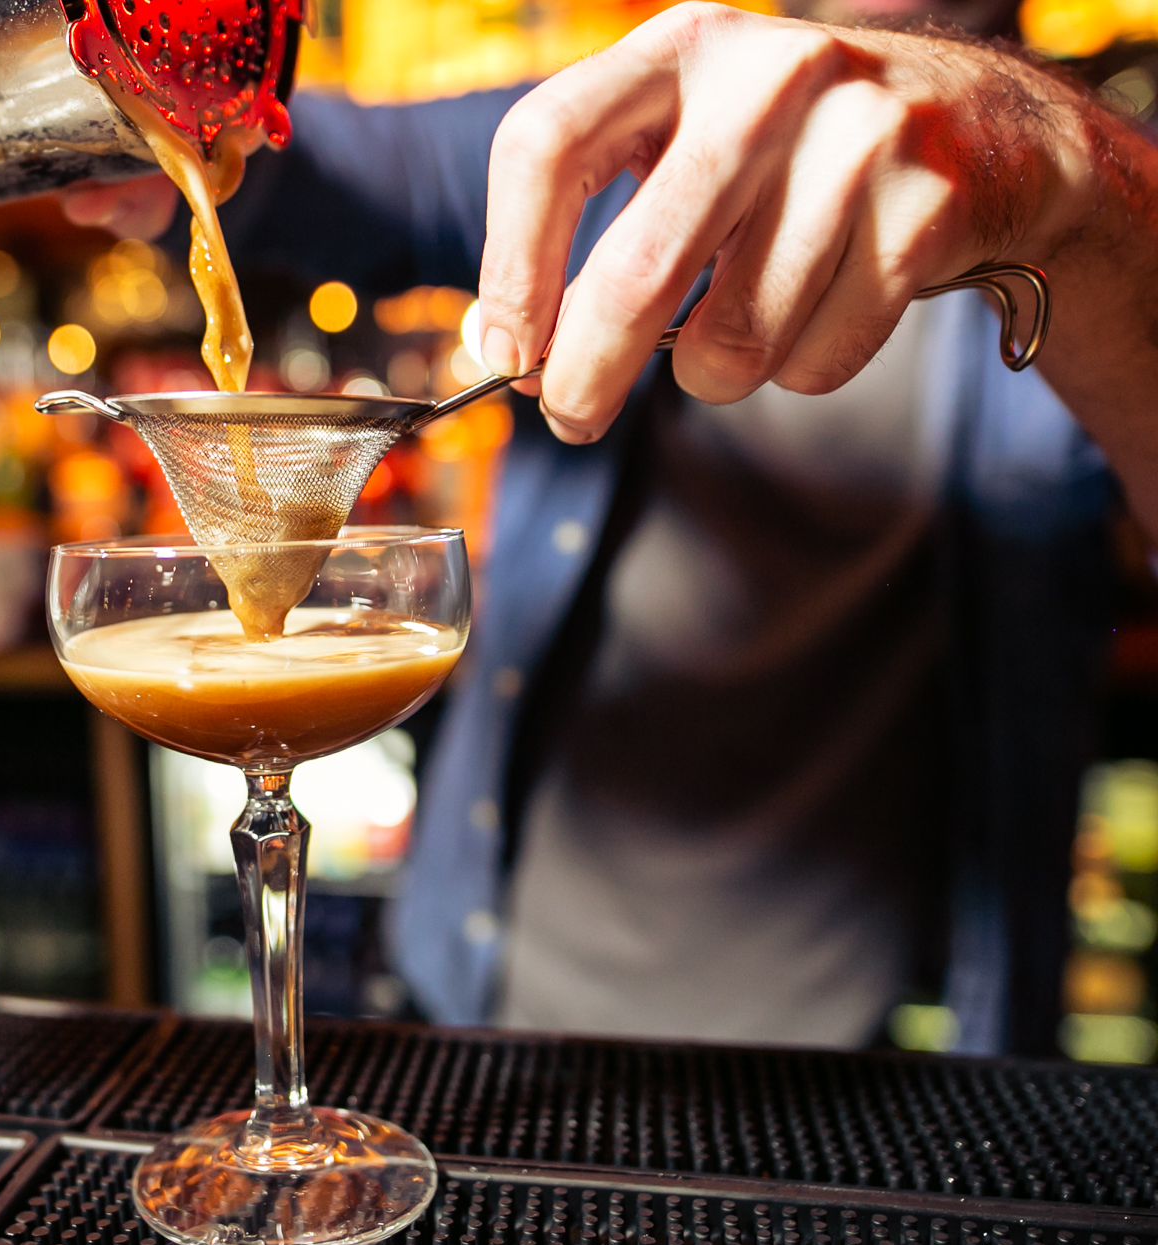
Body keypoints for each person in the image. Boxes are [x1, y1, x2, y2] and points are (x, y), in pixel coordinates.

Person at [67, 0, 1158, 1054]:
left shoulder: (1100, 215)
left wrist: (1064, 184)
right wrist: (112, 100)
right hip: (490, 1003)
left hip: (882, 1065)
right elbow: (300, 172)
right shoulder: (634, 128)